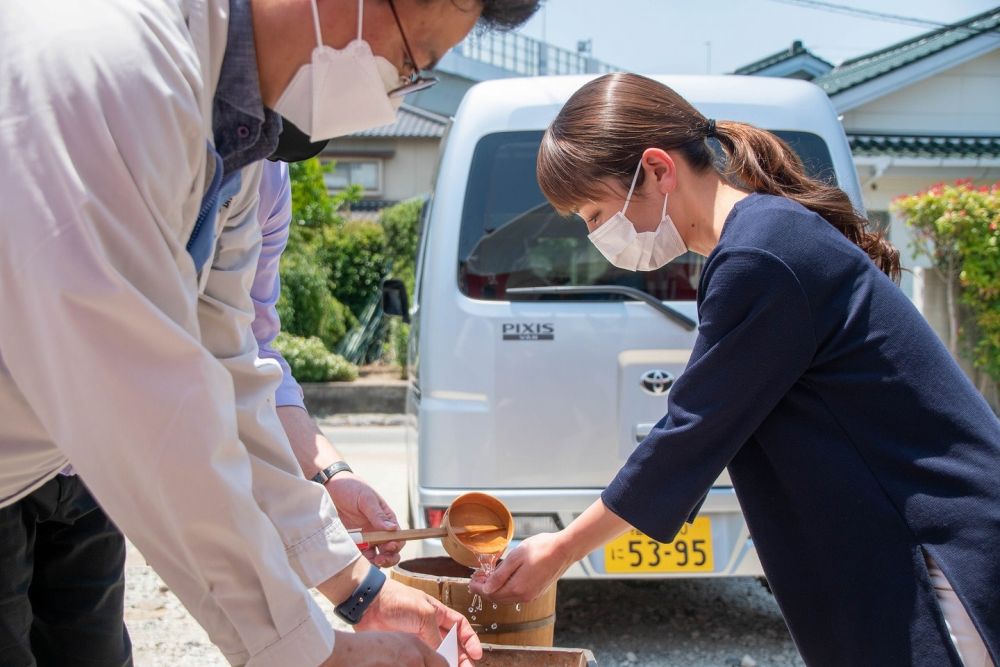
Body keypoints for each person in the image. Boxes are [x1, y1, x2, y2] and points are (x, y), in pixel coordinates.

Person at [0, 1, 539, 666]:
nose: (392, 95)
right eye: (410, 62)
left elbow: (231, 377)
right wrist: (316, 651)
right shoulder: (113, 63)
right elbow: (157, 414)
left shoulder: (240, 148)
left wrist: (361, 592)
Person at [470, 73, 1000, 666]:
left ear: (657, 169)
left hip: (931, 554)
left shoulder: (760, 257)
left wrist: (564, 548)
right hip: (912, 537)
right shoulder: (761, 237)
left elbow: (690, 433)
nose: (598, 236)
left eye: (597, 213)